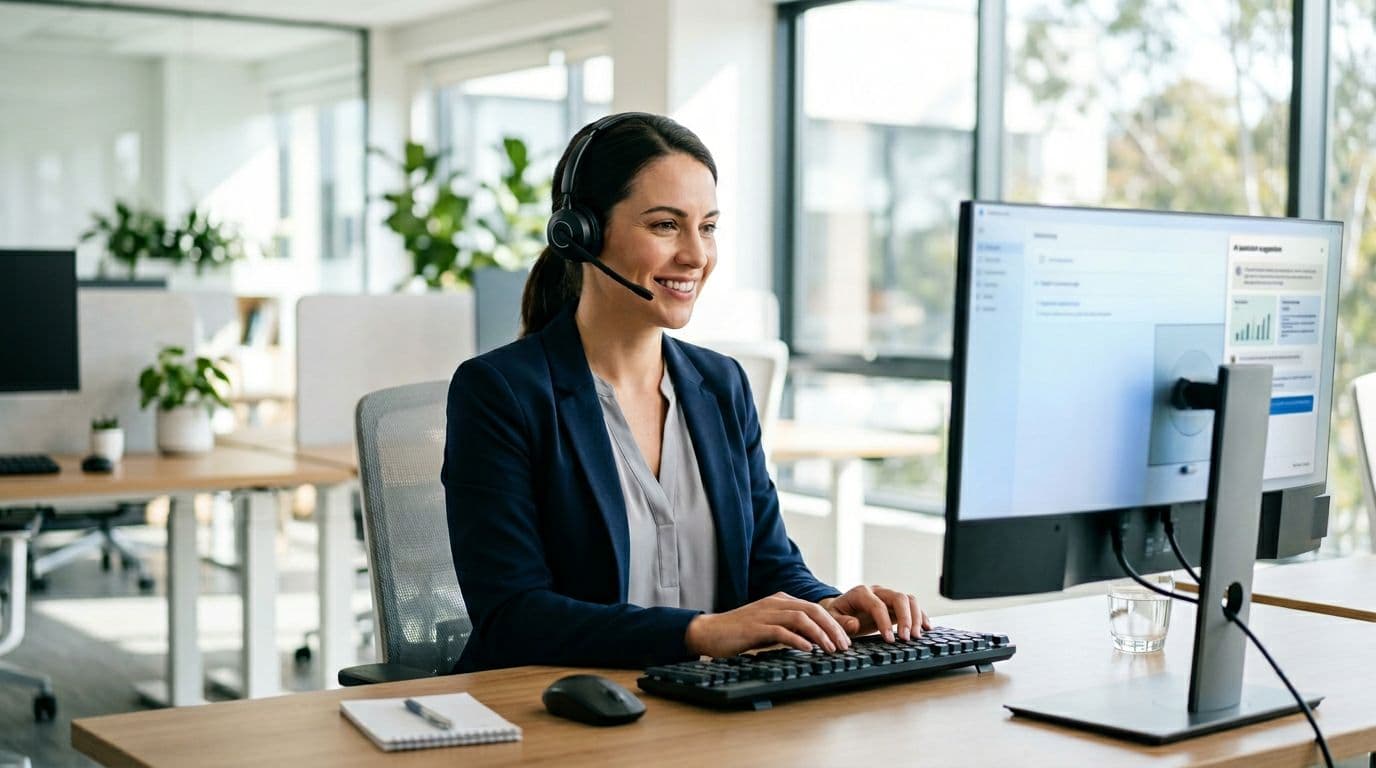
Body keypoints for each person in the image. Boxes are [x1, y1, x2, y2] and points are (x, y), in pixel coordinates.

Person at [442, 112, 931, 672]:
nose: (696, 255)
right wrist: (698, 633)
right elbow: (512, 616)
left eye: (708, 227)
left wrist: (828, 608)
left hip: (704, 704)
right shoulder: (501, 392)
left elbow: (768, 565)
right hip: (555, 706)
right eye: (666, 225)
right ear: (582, 234)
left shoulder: (721, 386)